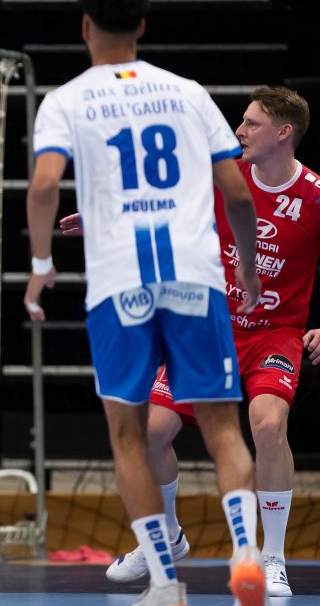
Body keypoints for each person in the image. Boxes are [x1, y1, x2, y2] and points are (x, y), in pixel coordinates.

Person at [23, 0, 266, 606]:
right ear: (143, 27)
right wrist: (243, 263)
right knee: (221, 428)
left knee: (128, 435)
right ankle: (245, 552)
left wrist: (43, 262)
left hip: (118, 283)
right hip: (194, 274)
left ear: (84, 27)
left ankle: (164, 581)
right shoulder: (187, 92)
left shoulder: (68, 99)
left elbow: (45, 186)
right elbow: (238, 193)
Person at [92, 86, 314, 599]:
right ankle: (167, 536)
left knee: (268, 424)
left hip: (275, 335)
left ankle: (273, 556)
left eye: (251, 123)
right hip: (210, 327)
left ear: (283, 133)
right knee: (150, 433)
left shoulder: (315, 196)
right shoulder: (225, 177)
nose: (239, 131)